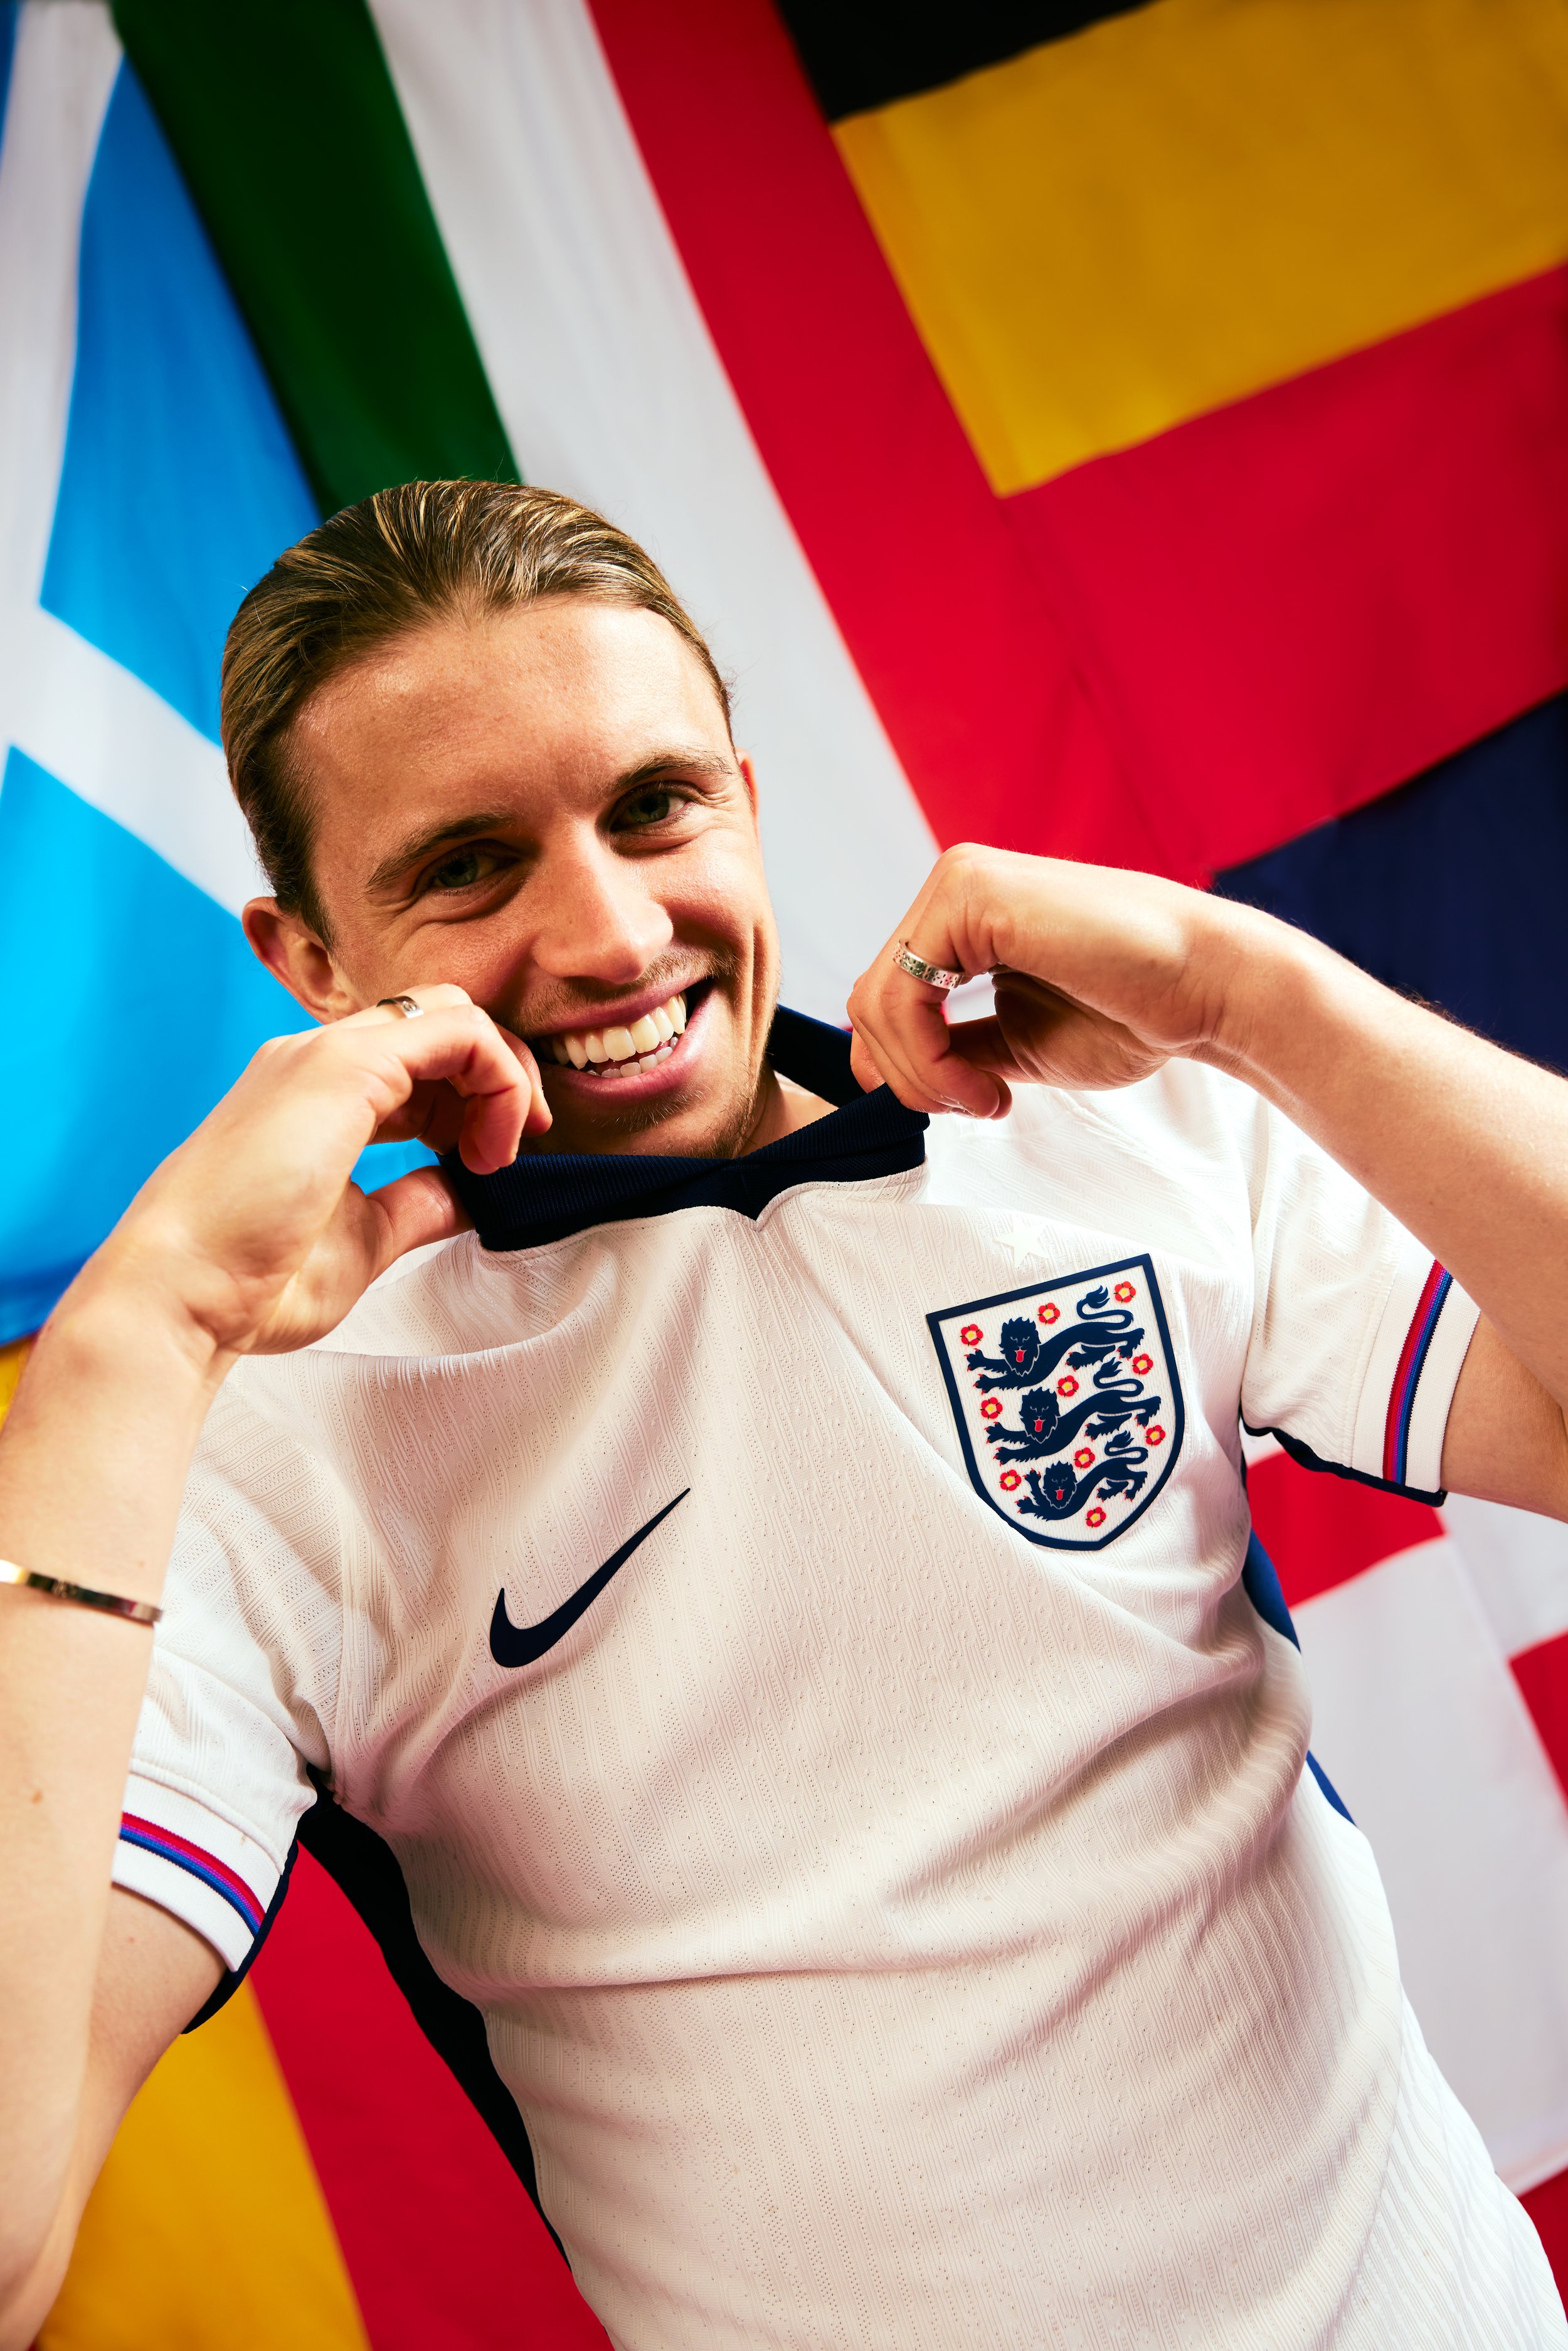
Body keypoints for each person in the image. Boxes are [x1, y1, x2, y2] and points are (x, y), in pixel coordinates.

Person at [2, 481, 1565, 2351]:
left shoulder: (1107, 1124)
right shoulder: (253, 1447)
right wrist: (127, 1347)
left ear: (743, 795)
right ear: (311, 963)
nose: (604, 935)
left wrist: (1256, 993)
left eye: (652, 806)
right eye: (470, 866)